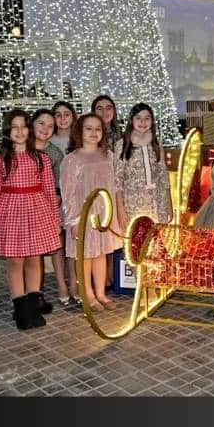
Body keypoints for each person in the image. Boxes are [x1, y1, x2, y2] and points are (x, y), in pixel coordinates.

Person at [0, 109, 61, 330]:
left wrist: (54, 220)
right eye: (14, 127)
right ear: (8, 131)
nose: (19, 132)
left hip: (37, 211)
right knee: (15, 260)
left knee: (34, 258)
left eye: (23, 126)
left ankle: (33, 302)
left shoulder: (41, 159)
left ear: (29, 129)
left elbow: (48, 191)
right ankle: (20, 307)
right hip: (11, 213)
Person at [61, 114, 121, 312]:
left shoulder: (108, 155)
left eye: (98, 129)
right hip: (83, 216)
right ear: (80, 131)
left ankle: (101, 293)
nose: (93, 133)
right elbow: (68, 193)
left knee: (101, 253)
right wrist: (73, 221)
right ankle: (88, 295)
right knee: (85, 256)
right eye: (89, 128)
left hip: (103, 214)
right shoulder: (72, 160)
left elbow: (113, 186)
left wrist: (112, 214)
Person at [32, 109, 77, 308]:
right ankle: (32, 293)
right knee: (30, 253)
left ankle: (59, 286)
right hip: (24, 207)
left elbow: (60, 183)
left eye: (50, 126)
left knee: (56, 245)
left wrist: (55, 200)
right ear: (32, 124)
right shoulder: (22, 148)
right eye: (41, 124)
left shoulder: (55, 153)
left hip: (50, 206)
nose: (45, 129)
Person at [114, 103, 172, 232]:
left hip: (158, 202)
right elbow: (118, 181)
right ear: (131, 120)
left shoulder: (156, 143)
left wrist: (169, 205)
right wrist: (120, 209)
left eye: (147, 118)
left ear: (152, 120)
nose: (143, 122)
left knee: (156, 242)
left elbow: (164, 176)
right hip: (133, 203)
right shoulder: (122, 145)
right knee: (136, 243)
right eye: (138, 118)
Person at [91, 94, 123, 290]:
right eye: (99, 108)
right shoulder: (90, 134)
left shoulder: (121, 136)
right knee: (96, 234)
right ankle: (96, 278)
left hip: (116, 190)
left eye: (108, 108)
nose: (104, 112)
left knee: (113, 233)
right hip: (96, 190)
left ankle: (111, 275)